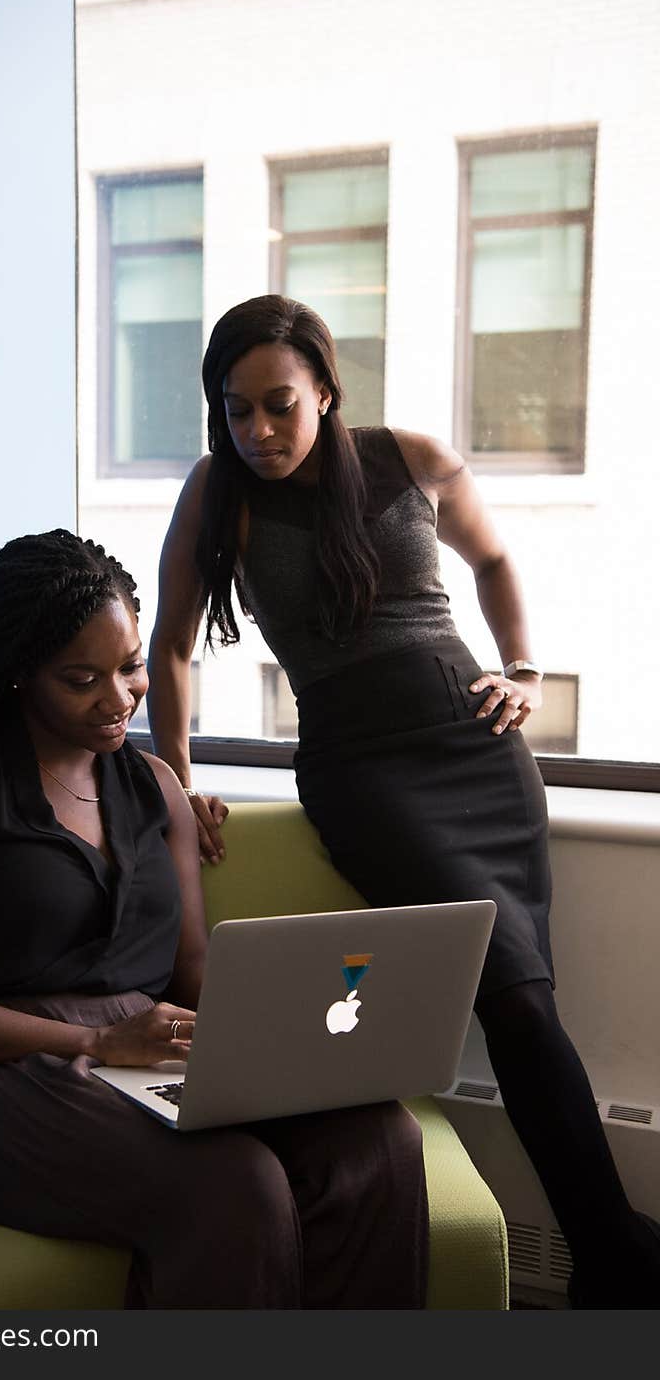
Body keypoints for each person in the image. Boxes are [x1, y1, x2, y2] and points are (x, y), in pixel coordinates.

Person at [146, 294, 660, 1310]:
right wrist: (177, 774)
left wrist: (522, 667)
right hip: (363, 770)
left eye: (278, 406)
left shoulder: (407, 455)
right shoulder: (217, 492)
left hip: (476, 750)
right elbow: (167, 643)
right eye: (235, 410)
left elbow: (497, 560)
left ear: (325, 391)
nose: (256, 431)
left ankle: (612, 1263)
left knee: (525, 997)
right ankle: (622, 1259)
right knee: (511, 994)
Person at [0, 528, 428, 1310]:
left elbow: (191, 974)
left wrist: (302, 1039)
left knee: (378, 1140)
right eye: (82, 679)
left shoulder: (156, 787)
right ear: (22, 674)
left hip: (142, 1054)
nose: (120, 698)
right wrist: (92, 1039)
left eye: (130, 669)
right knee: (234, 1183)